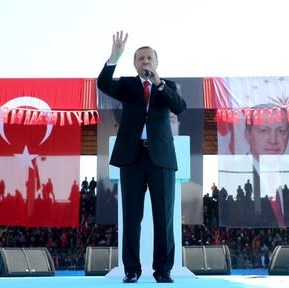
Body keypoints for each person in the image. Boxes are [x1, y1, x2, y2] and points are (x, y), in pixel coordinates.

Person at [97, 31, 186, 283]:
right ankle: (132, 270)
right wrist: (113, 58)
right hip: (133, 157)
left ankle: (163, 270)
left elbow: (179, 107)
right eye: (140, 58)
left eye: (149, 58)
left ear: (156, 62)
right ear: (134, 63)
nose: (145, 62)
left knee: (163, 217)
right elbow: (103, 84)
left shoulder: (167, 86)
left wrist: (158, 83)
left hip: (161, 159)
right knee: (132, 217)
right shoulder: (127, 85)